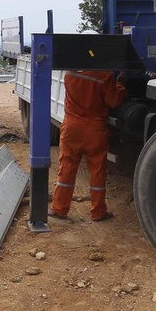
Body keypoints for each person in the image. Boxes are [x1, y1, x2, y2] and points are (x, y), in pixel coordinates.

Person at [50, 65, 127, 222]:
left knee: (66, 168)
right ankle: (98, 212)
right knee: (97, 171)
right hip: (95, 130)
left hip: (71, 129)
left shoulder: (69, 74)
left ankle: (59, 209)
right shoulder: (104, 76)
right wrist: (120, 85)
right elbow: (113, 101)